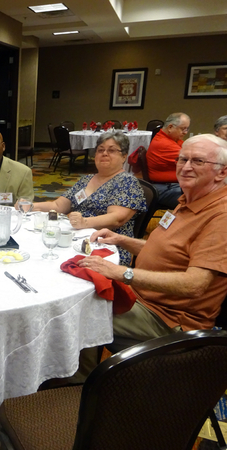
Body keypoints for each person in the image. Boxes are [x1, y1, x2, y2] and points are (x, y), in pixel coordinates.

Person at [71, 134, 227, 382]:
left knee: (77, 314)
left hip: (169, 322)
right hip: (145, 301)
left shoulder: (220, 216)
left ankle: (83, 391)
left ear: (221, 173)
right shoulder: (188, 200)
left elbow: (195, 284)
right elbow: (168, 252)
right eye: (182, 159)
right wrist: (123, 240)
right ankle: (87, 378)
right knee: (83, 292)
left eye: (197, 161)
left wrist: (123, 273)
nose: (186, 167)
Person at [26, 130, 147, 266]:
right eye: (100, 150)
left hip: (106, 247)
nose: (104, 153)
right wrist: (30, 206)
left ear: (124, 156)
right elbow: (59, 206)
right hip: (78, 239)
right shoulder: (87, 179)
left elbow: (116, 219)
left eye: (112, 150)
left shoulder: (127, 182)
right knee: (39, 252)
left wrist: (84, 222)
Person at [146, 112, 191, 208]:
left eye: (187, 129)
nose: (185, 132)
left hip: (172, 185)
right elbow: (193, 158)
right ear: (170, 127)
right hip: (163, 188)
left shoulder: (172, 139)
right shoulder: (164, 143)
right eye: (183, 129)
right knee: (201, 199)